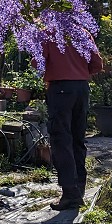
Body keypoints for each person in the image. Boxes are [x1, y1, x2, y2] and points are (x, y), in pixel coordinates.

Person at [36, 30, 105, 210]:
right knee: (77, 138)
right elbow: (97, 64)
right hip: (81, 88)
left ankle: (70, 193)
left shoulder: (49, 33)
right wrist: (79, 69)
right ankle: (79, 187)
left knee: (61, 140)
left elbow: (38, 62)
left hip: (60, 89)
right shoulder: (82, 32)